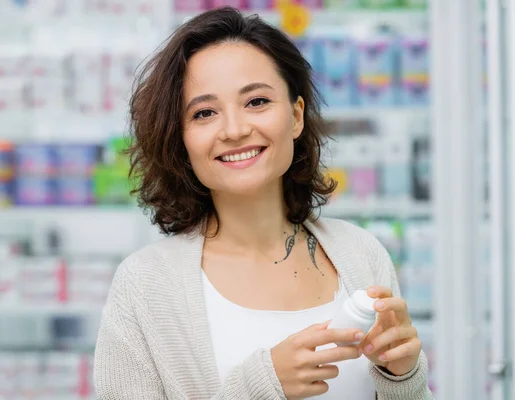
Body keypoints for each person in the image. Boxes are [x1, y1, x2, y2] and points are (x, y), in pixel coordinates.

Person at [94, 7, 432, 400]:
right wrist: (260, 388)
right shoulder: (145, 285)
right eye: (204, 113)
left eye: (256, 102)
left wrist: (404, 377)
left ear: (295, 116)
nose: (235, 130)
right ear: (181, 140)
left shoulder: (362, 255)